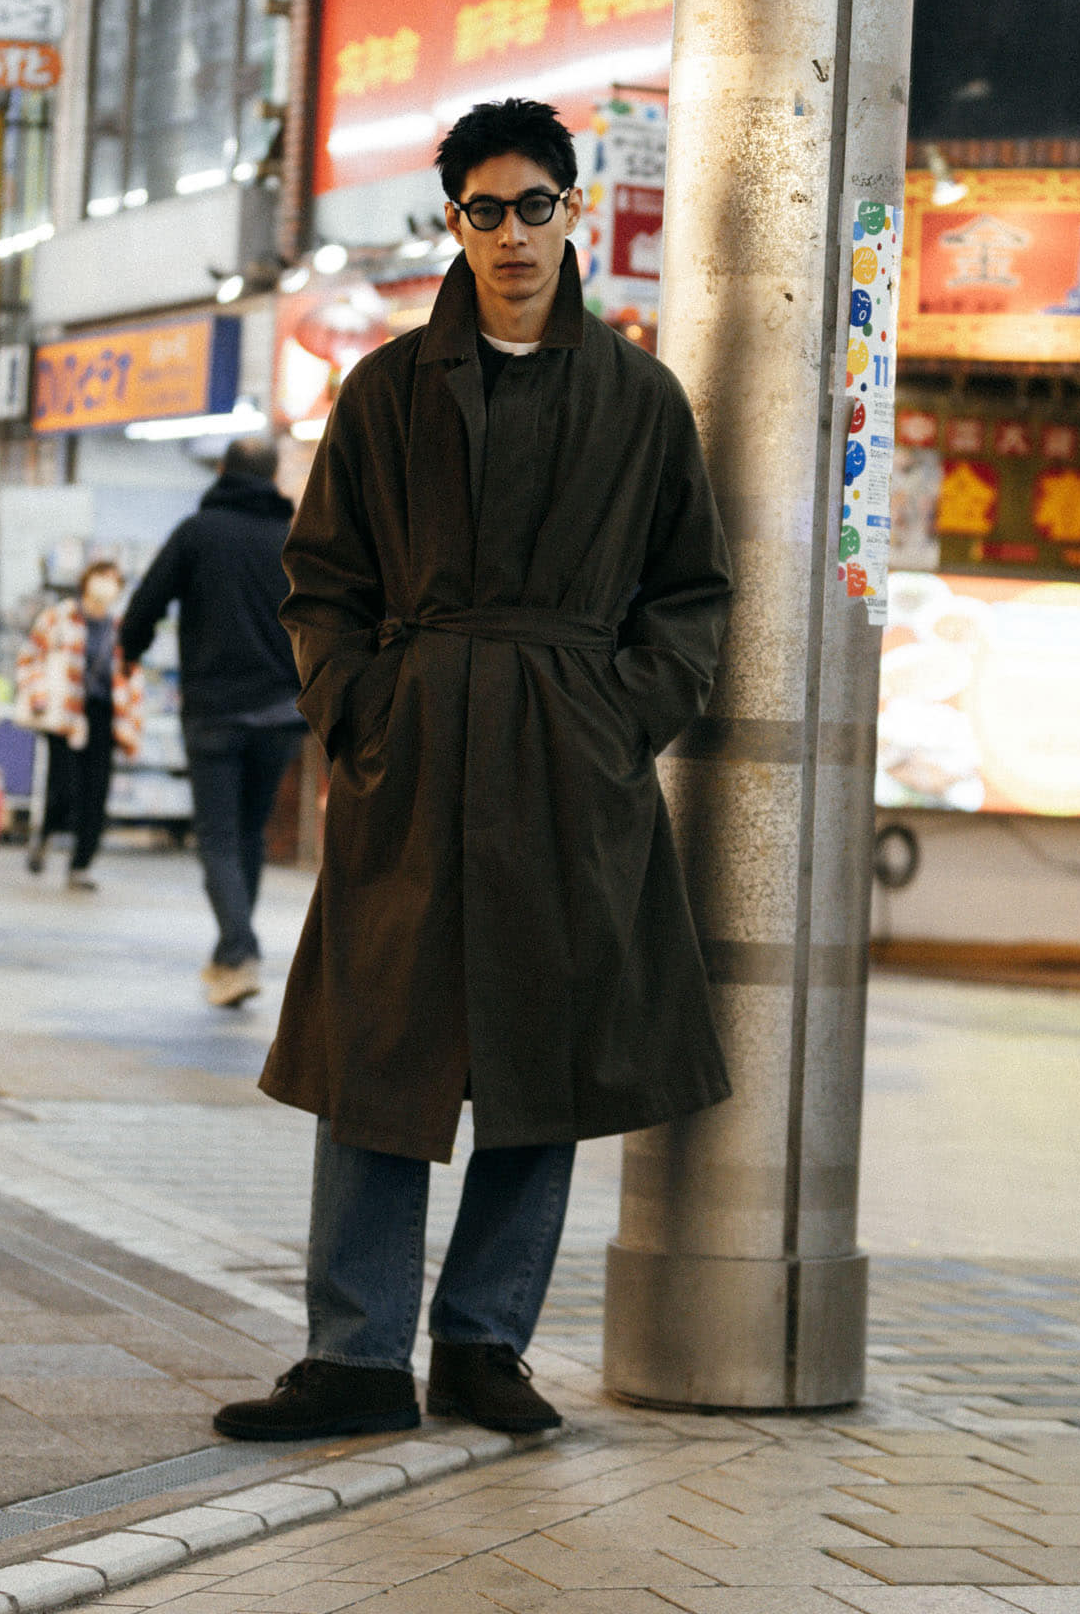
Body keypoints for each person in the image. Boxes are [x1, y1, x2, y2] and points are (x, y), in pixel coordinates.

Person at [214, 99, 734, 1444]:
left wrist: (621, 720)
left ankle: (483, 1345)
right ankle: (356, 1356)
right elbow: (322, 582)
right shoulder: (387, 390)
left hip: (570, 761)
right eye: (484, 210)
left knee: (539, 1054)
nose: (512, 234)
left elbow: (689, 595)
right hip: (417, 750)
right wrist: (359, 711)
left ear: (573, 215)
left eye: (535, 206)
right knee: (377, 1047)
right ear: (454, 222)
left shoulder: (638, 396)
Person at [120, 438, 306, 1009]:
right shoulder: (294, 540)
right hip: (280, 712)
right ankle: (232, 957)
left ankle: (240, 946)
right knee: (248, 834)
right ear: (274, 476)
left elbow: (146, 603)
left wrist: (132, 648)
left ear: (223, 470)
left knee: (220, 838)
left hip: (214, 711)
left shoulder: (198, 533)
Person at [13, 559, 145, 890]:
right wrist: (38, 695)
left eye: (115, 580)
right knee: (65, 787)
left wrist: (131, 726)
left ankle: (80, 865)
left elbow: (132, 675)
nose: (107, 585)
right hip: (63, 712)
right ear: (86, 580)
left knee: (96, 792)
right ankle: (45, 837)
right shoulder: (58, 617)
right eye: (102, 577)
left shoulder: (119, 626)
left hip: (103, 714)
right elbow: (29, 658)